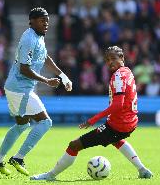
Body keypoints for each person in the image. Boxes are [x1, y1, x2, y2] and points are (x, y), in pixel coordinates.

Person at [30, 46, 153, 181]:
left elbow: (118, 105)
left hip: (118, 124)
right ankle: (142, 169)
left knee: (74, 145)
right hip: (131, 122)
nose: (110, 62)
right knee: (116, 140)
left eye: (113, 58)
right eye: (107, 60)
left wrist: (92, 120)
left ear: (122, 58)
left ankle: (50, 176)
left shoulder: (118, 76)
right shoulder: (127, 72)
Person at [0, 7, 72, 176]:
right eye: (43, 20)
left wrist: (63, 76)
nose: (46, 24)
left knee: (22, 125)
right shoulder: (28, 38)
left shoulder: (38, 37)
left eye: (47, 21)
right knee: (45, 122)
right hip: (20, 88)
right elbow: (24, 69)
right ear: (32, 21)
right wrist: (47, 81)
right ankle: (18, 158)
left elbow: (46, 58)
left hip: (17, 88)